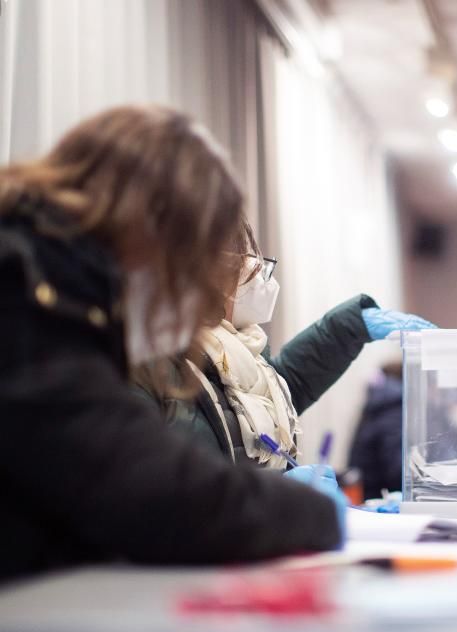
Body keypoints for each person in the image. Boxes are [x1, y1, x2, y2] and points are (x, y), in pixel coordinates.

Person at [0, 106, 345, 580]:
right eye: (193, 260)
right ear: (150, 229)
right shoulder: (25, 289)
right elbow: (139, 485)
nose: (194, 292)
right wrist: (312, 513)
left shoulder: (52, 284)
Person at [134, 224, 433, 469]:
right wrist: (273, 498)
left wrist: (352, 325)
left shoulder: (235, 352)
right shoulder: (152, 361)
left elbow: (284, 386)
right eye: (252, 268)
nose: (261, 282)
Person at [348, 361, 405, 500]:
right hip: (382, 501)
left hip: (368, 496)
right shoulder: (395, 409)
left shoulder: (381, 404)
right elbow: (398, 471)